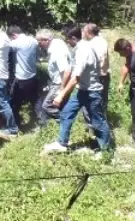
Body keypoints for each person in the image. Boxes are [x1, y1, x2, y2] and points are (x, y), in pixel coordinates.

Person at [43, 26, 114, 154]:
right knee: (66, 113)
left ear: (73, 38)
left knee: (97, 122)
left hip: (92, 92)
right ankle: (62, 143)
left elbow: (76, 77)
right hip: (81, 90)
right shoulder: (81, 47)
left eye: (67, 40)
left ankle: (106, 151)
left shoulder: (83, 50)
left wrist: (61, 95)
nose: (67, 43)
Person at [35, 29, 72, 127]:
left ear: (46, 40)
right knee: (61, 105)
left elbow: (66, 71)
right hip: (58, 82)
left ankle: (65, 124)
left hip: (59, 83)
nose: (39, 44)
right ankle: (64, 126)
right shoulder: (56, 43)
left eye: (39, 41)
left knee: (47, 106)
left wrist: (62, 89)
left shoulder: (57, 51)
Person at [8, 26, 40, 128]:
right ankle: (42, 122)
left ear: (13, 35)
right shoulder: (33, 41)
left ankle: (16, 124)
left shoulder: (16, 43)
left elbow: (5, 47)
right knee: (35, 100)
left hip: (21, 78)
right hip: (33, 76)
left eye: (11, 37)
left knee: (14, 102)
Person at [85, 23, 111, 113]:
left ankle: (99, 122)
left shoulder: (94, 43)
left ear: (89, 32)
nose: (83, 34)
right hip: (102, 75)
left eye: (84, 31)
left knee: (97, 100)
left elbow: (102, 58)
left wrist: (98, 73)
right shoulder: (102, 41)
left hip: (98, 76)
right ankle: (101, 119)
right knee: (102, 99)